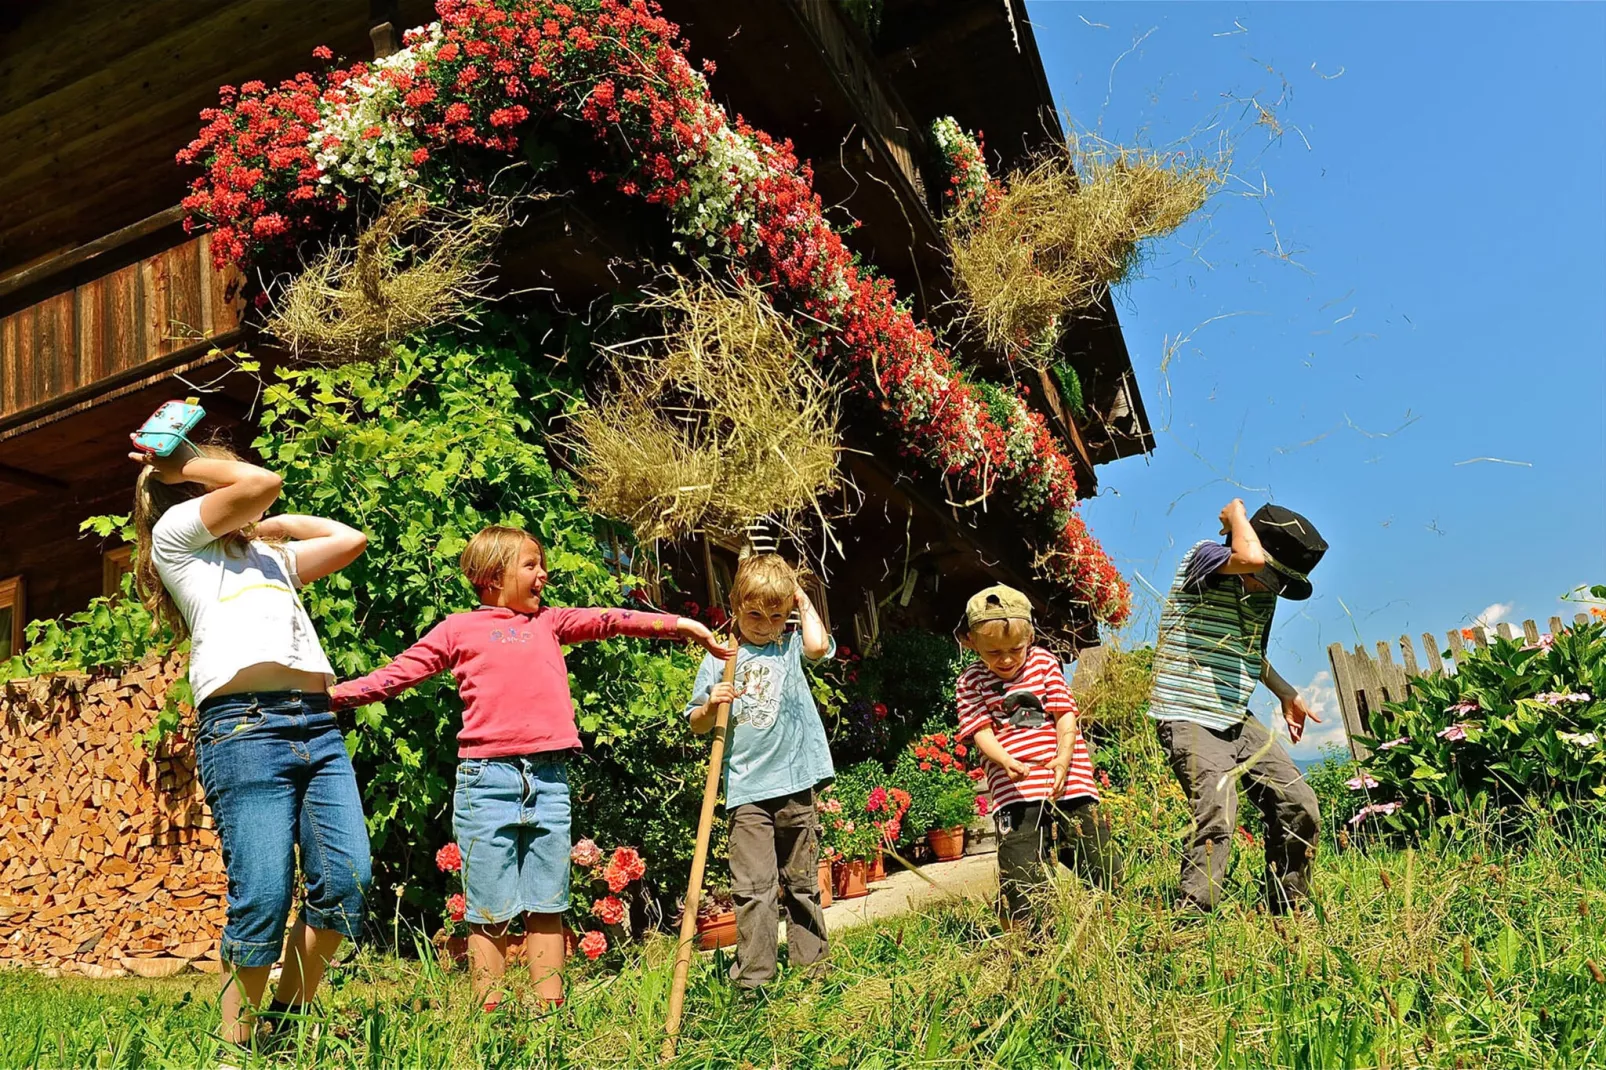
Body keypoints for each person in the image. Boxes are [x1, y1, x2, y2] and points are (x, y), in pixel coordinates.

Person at [330, 525, 726, 1011]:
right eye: (531, 565)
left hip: (548, 781)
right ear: (494, 575)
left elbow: (609, 619)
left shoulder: (551, 623)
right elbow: (397, 674)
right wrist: (332, 698)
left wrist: (678, 625)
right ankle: (489, 1021)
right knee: (489, 912)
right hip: (485, 781)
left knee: (548, 905)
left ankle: (548, 1016)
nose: (543, 574)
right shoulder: (458, 628)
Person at [132, 443, 371, 1053]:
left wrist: (280, 526)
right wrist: (178, 463)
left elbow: (350, 540)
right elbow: (263, 481)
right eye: (216, 467)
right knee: (263, 895)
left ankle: (284, 1023)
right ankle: (233, 1052)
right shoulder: (176, 541)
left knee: (346, 882)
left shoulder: (270, 558)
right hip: (244, 730)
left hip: (316, 724)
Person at [1149, 499, 1329, 914]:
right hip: (1188, 713)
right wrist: (1235, 515)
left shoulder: (1264, 596)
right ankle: (1193, 920)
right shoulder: (1206, 557)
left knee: (1300, 803)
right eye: (1267, 574)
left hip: (1235, 716)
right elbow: (1246, 557)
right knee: (1217, 810)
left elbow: (1251, 653)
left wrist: (1287, 693)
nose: (1267, 586)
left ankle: (1288, 912)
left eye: (1279, 583)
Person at [686, 554, 835, 991]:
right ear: (735, 606)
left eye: (776, 616)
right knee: (754, 888)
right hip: (747, 790)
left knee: (802, 882)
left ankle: (814, 972)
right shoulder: (721, 656)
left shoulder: (787, 648)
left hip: (795, 784)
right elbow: (696, 722)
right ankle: (755, 980)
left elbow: (815, 646)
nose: (766, 625)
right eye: (755, 615)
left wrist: (804, 603)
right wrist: (712, 702)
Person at [954, 585, 1119, 927]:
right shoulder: (970, 681)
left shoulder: (1044, 663)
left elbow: (1064, 715)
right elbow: (981, 731)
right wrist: (1005, 760)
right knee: (1021, 866)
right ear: (971, 642)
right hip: (1014, 791)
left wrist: (1063, 758)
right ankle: (1032, 936)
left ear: (1030, 636)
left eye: (1015, 649)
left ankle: (1113, 916)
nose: (1006, 660)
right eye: (993, 652)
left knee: (1097, 855)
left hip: (1068, 781)